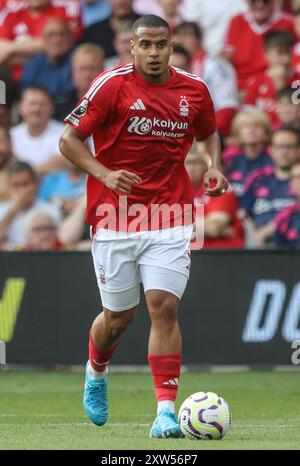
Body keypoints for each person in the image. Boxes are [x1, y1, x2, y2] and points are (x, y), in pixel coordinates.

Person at [59, 14, 228, 437]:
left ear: (171, 47)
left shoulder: (195, 90)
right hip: (115, 216)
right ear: (131, 48)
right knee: (118, 317)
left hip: (169, 214)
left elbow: (208, 133)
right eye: (145, 45)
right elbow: (68, 140)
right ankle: (97, 371)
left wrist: (213, 166)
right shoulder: (110, 86)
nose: (154, 52)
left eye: (161, 45)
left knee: (164, 306)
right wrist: (104, 173)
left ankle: (165, 412)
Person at [173, 21, 238, 137]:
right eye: (177, 35)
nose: (181, 40)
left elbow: (226, 107)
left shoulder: (216, 65)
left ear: (200, 40)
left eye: (187, 35)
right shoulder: (168, 64)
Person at [241, 127, 299, 247]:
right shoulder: (257, 178)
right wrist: (254, 238)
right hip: (261, 247)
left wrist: (265, 233)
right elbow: (244, 214)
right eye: (279, 147)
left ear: (298, 150)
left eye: (289, 147)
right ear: (271, 150)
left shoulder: (298, 179)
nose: (284, 152)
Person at [221, 0, 295, 93]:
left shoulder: (288, 23)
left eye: (265, 1)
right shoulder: (237, 21)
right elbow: (225, 59)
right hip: (240, 89)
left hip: (273, 86)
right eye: (253, 0)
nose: (259, 4)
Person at [0, 160, 61, 248]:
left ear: (35, 184)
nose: (22, 190)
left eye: (26, 184)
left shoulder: (50, 210)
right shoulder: (1, 210)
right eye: (16, 185)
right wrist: (15, 209)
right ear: (9, 187)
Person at [10, 85, 66, 177]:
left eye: (42, 104)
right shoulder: (11, 135)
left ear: (52, 108)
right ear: (20, 107)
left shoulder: (65, 133)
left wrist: (27, 173)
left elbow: (66, 161)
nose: (36, 109)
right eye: (32, 104)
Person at [275, 161, 300, 248]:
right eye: (293, 177)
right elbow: (281, 256)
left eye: (299, 177)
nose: (297, 181)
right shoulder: (284, 218)